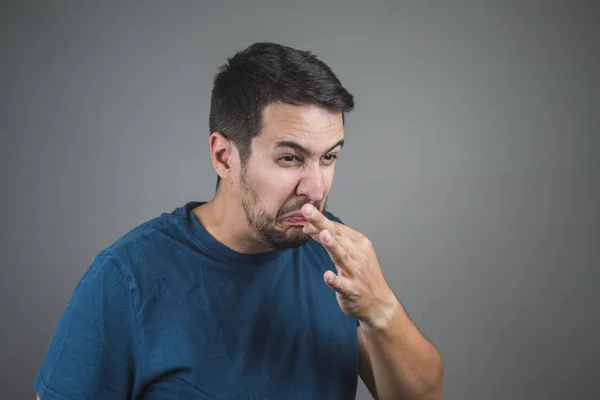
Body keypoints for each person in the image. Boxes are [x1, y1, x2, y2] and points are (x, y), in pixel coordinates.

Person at [34, 42, 443, 400]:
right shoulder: (126, 278)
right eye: (290, 158)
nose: (315, 188)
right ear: (224, 157)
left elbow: (424, 396)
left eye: (329, 157)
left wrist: (382, 310)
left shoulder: (336, 256)